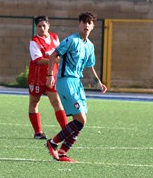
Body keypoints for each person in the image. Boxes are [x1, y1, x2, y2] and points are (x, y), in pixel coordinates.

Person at [45, 12, 107, 163]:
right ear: (79, 24)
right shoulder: (71, 40)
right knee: (80, 120)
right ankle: (52, 143)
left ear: (93, 26)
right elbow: (54, 55)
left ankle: (62, 152)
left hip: (77, 83)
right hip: (65, 81)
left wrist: (98, 83)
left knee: (81, 121)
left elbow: (90, 67)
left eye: (89, 22)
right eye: (83, 22)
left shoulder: (90, 46)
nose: (86, 25)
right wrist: (50, 75)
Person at [27, 15, 67, 140]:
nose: (42, 28)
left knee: (56, 102)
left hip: (52, 77)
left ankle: (66, 131)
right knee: (34, 103)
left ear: (48, 26)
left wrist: (61, 60)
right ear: (36, 28)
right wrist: (55, 61)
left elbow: (60, 53)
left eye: (44, 25)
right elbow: (38, 60)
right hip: (37, 77)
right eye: (39, 26)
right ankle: (38, 132)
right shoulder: (34, 41)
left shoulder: (54, 37)